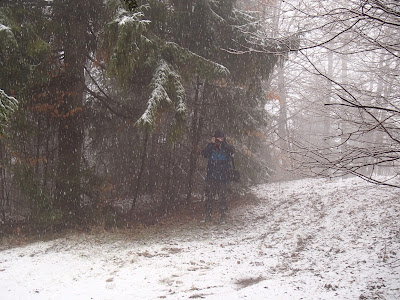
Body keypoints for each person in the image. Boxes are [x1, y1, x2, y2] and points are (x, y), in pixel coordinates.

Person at [201, 130, 235, 223]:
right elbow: (204, 154)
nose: (219, 140)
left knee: (222, 198)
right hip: (211, 176)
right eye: (218, 138)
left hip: (223, 177)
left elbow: (232, 151)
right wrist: (211, 144)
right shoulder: (211, 147)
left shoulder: (226, 147)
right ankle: (208, 216)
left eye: (221, 138)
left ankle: (223, 217)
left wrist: (223, 143)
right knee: (209, 197)